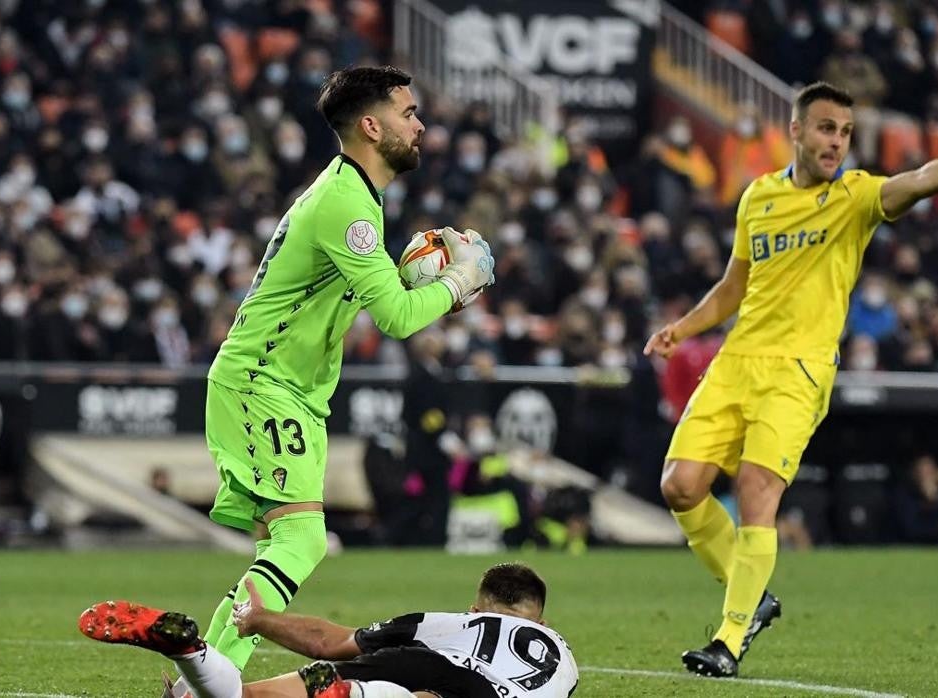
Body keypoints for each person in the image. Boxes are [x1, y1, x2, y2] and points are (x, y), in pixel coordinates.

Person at [644, 80, 938, 677]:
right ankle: (752, 598)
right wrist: (683, 327)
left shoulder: (856, 196)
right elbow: (734, 286)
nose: (838, 143)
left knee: (756, 490)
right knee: (679, 486)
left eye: (847, 133)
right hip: (737, 360)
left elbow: (923, 177)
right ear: (797, 131)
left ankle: (727, 639)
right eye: (828, 129)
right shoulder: (758, 196)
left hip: (799, 370)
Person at [196, 64, 495, 676]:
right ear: (369, 124)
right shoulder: (347, 207)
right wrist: (461, 280)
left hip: (289, 390)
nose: (419, 124)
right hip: (261, 382)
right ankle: (208, 678)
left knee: (282, 546)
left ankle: (200, 679)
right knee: (301, 541)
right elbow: (397, 315)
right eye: (407, 113)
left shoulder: (353, 196)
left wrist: (429, 278)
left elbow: (385, 293)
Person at [79, 562, 577, 698]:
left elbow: (332, 640)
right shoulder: (564, 658)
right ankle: (354, 694)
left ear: (477, 609)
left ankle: (190, 653)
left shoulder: (449, 624)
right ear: (543, 621)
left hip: (419, 663)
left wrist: (257, 619)